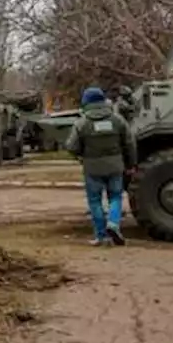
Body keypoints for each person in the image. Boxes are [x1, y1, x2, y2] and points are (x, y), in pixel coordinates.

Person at [65, 86, 136, 247]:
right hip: (115, 166)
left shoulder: (82, 123)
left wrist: (81, 155)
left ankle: (101, 236)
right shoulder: (117, 120)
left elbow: (71, 146)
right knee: (116, 197)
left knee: (95, 201)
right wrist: (131, 164)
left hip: (92, 168)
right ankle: (113, 223)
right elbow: (129, 143)